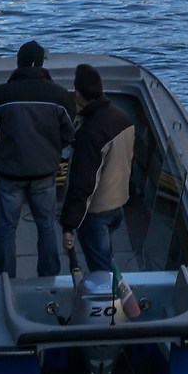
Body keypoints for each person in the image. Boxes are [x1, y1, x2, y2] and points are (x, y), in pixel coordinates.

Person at [0, 41, 76, 278]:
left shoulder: (3, 93)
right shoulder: (60, 96)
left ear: (19, 62)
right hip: (44, 174)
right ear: (42, 64)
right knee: (46, 227)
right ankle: (49, 275)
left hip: (10, 175)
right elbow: (69, 133)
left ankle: (4, 279)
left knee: (6, 229)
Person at [61, 62, 138, 275]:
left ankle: (112, 304)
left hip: (96, 213)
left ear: (78, 95)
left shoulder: (90, 132)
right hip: (118, 206)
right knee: (107, 259)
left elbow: (82, 183)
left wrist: (68, 225)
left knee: (101, 271)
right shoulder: (123, 118)